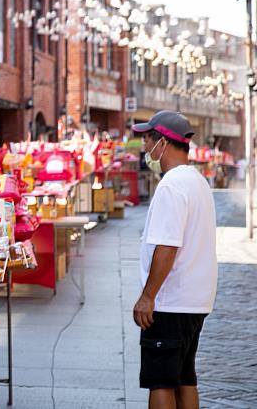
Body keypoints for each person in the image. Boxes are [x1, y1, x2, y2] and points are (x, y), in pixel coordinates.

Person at [131, 111, 217, 409]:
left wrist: (147, 296)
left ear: (163, 143)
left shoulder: (171, 186)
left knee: (161, 381)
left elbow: (167, 247)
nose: (145, 145)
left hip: (171, 302)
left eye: (148, 138)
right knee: (184, 377)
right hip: (194, 300)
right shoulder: (197, 182)